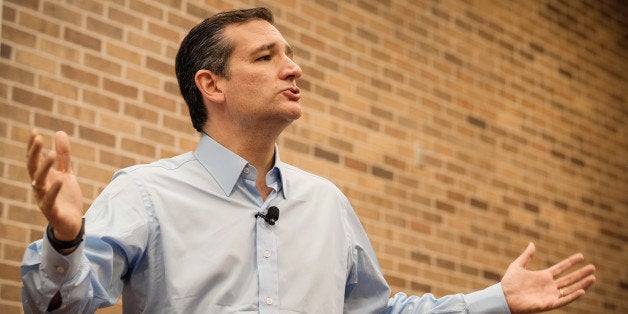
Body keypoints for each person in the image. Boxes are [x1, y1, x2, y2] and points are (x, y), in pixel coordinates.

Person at [22, 7, 596, 314]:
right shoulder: (145, 194)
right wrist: (66, 240)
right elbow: (58, 307)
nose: (292, 69)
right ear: (211, 85)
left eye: (291, 55)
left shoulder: (326, 202)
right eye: (267, 56)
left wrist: (497, 300)